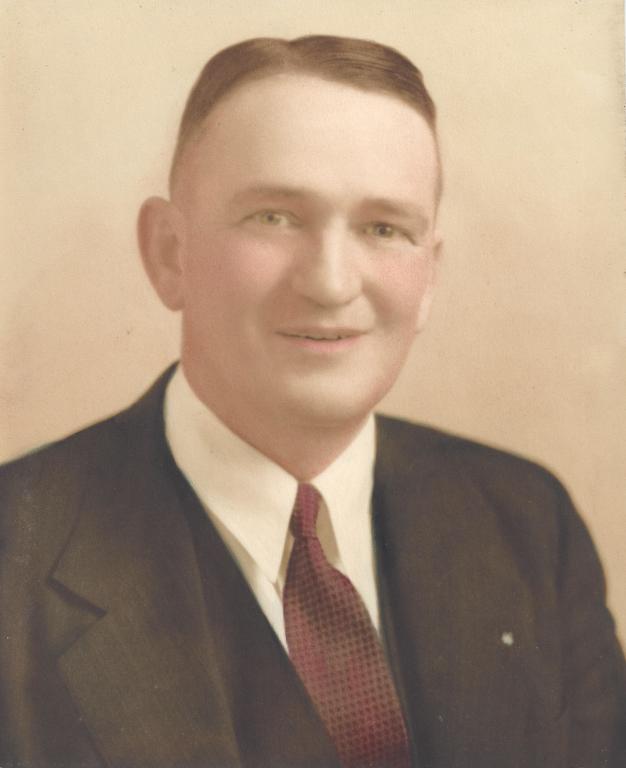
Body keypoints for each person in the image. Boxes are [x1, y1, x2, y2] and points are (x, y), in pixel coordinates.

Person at [0, 35, 624, 768]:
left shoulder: (526, 523)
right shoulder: (16, 559)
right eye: (275, 217)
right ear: (170, 252)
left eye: (383, 229)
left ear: (427, 279)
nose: (330, 283)